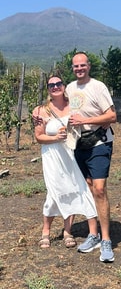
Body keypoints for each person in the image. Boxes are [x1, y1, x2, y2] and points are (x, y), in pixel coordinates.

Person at [32, 75, 98, 249]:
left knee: (72, 189)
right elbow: (38, 137)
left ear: (64, 86)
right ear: (48, 89)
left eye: (58, 83)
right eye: (51, 85)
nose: (55, 87)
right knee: (54, 192)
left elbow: (88, 117)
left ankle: (68, 231)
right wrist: (55, 137)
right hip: (52, 157)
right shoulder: (41, 110)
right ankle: (46, 232)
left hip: (71, 155)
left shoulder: (73, 107)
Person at [66, 52, 117, 262]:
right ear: (73, 68)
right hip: (79, 144)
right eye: (76, 66)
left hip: (99, 142)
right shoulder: (69, 88)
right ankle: (93, 234)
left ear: (89, 66)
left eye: (82, 65)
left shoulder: (98, 87)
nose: (79, 68)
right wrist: (38, 113)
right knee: (87, 188)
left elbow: (112, 115)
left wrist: (88, 120)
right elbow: (57, 107)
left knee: (99, 188)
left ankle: (106, 240)